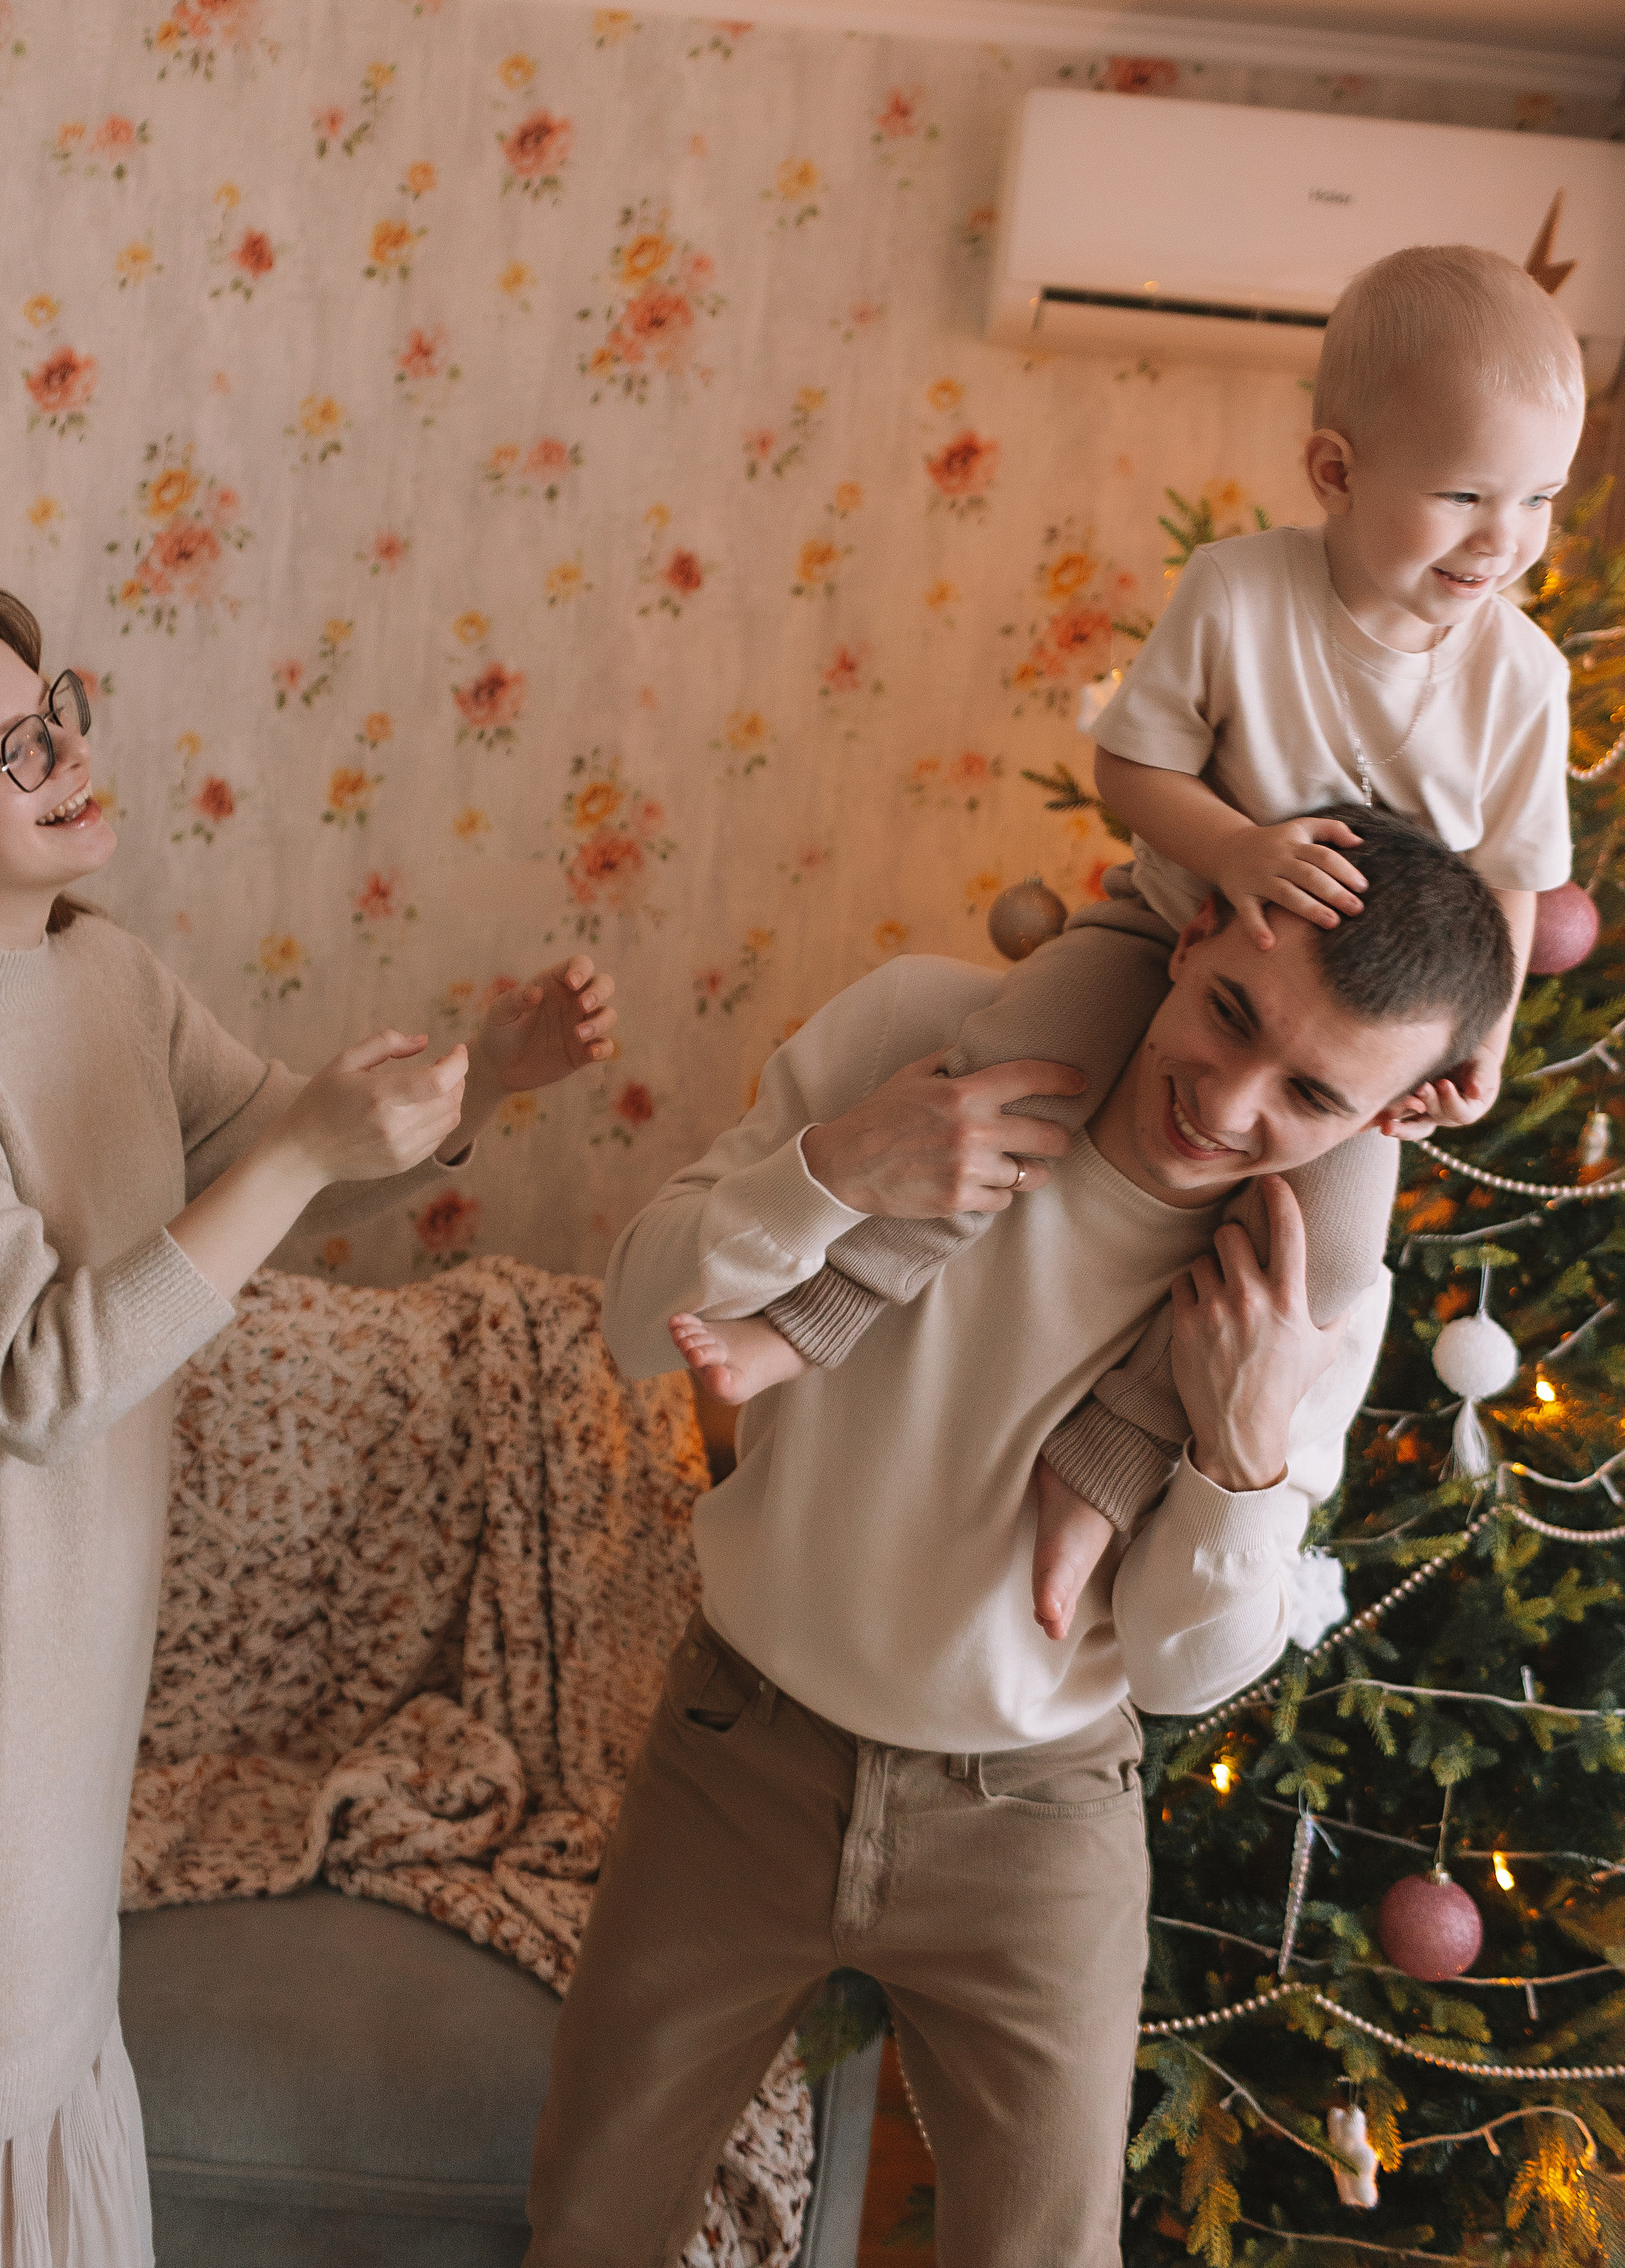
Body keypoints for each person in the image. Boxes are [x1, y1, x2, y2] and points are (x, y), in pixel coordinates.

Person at [523, 806, 1515, 2267]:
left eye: (1307, 1096)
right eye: (1231, 1012)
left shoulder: (1308, 1293)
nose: (1227, 1102)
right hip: (736, 1755)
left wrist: (1240, 1454)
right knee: (590, 2225)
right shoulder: (931, 1029)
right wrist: (836, 1171)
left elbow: (1182, 1678)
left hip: (1036, 1818)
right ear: (1188, 931)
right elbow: (632, 1321)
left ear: (1379, 1122)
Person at [675, 243, 1577, 1636]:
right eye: (1461, 494)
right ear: (1333, 471)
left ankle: (1101, 1477)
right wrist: (1232, 851)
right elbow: (1130, 775)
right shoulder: (1242, 593)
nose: (1500, 540)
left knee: (1320, 1273)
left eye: (1537, 499)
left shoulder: (1520, 672)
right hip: (1163, 927)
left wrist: (1485, 1037)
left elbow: (1513, 880)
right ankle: (805, 1325)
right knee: (995, 1077)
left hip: (1358, 1037)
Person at [0, 588, 616, 2268]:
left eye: (55, 706)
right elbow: (41, 1376)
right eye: (6, 749)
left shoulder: (106, 978)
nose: (67, 755)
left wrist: (481, 1077)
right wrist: (301, 1152)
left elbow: (275, 1187)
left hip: (60, 1752)